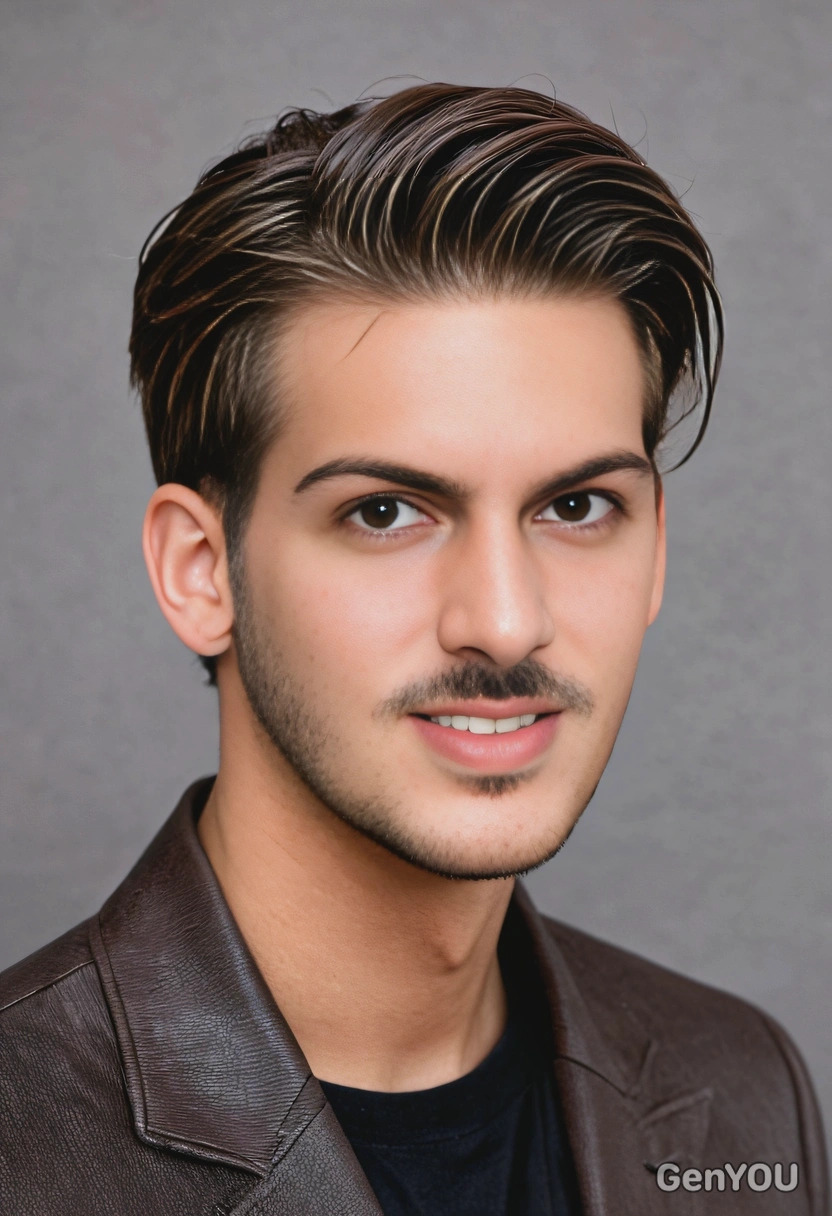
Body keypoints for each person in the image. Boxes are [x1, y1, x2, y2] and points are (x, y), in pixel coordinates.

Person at [0, 83, 826, 1216]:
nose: (502, 618)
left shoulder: (740, 1092)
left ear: (656, 547)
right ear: (202, 570)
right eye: (386, 511)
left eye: (577, 506)